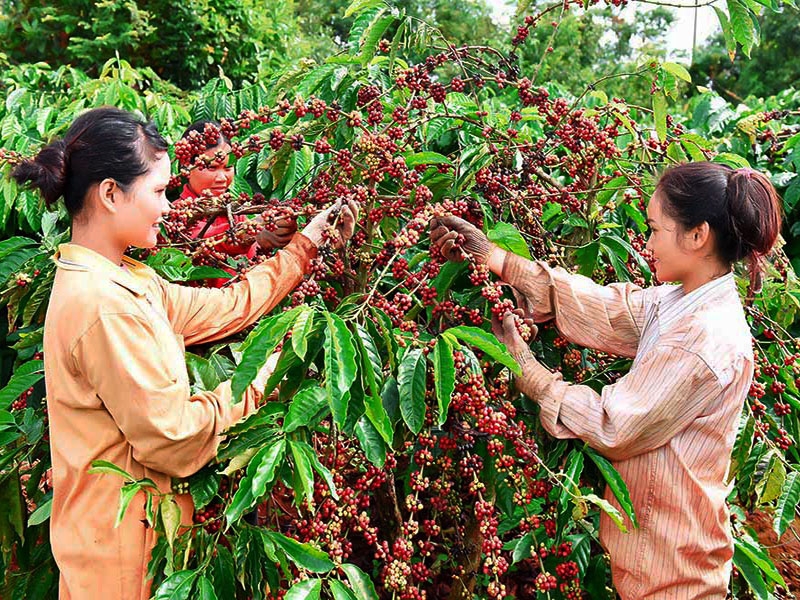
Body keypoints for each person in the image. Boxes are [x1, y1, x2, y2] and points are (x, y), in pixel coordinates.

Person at [12, 106, 358, 600]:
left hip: (143, 540)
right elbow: (176, 439)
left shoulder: (127, 279)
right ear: (111, 193)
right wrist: (264, 375)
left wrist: (305, 246)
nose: (170, 206)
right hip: (119, 561)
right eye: (157, 192)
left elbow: (223, 307)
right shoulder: (102, 307)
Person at [430, 162, 782, 599]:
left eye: (655, 229)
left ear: (697, 236)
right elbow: (608, 309)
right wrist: (496, 259)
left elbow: (614, 425)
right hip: (654, 562)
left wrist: (532, 374)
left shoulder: (703, 340)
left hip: (676, 577)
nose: (647, 242)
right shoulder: (681, 302)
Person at [176, 120, 297, 287]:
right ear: (186, 167)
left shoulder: (235, 215)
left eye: (228, 167)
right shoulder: (173, 216)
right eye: (211, 168)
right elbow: (200, 239)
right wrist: (248, 232)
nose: (222, 178)